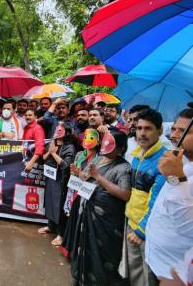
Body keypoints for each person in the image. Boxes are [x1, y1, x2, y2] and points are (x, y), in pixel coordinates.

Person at [70, 129, 132, 286]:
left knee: (102, 255)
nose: (106, 149)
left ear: (121, 149)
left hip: (105, 220)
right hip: (87, 212)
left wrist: (98, 177)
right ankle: (81, 278)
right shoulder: (99, 159)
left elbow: (125, 194)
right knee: (84, 249)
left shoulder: (123, 167)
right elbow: (85, 176)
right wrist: (78, 173)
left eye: (111, 145)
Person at [145, 108, 193, 282]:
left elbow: (189, 228)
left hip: (175, 275)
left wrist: (175, 178)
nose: (174, 135)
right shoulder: (181, 162)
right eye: (173, 129)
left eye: (183, 130)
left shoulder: (178, 170)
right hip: (155, 260)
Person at [123, 108, 167, 286]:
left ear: (160, 130)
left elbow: (159, 201)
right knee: (134, 273)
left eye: (148, 128)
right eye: (139, 128)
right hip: (131, 222)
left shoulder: (164, 161)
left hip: (147, 231)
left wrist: (142, 230)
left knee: (146, 278)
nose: (142, 133)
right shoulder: (136, 156)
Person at [61, 128, 101, 259]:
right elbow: (74, 172)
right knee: (71, 217)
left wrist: (79, 173)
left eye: (91, 138)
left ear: (98, 141)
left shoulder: (98, 158)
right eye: (86, 137)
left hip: (87, 192)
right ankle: (69, 247)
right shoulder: (79, 154)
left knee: (80, 219)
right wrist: (74, 172)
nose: (88, 140)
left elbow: (91, 176)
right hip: (74, 189)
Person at [39, 122, 76, 246]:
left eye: (60, 129)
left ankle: (61, 234)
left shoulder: (69, 147)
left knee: (58, 206)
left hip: (61, 181)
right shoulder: (52, 143)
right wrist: (50, 152)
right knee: (49, 202)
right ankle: (51, 226)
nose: (57, 131)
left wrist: (54, 153)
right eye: (56, 128)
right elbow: (41, 160)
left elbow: (66, 165)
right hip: (49, 178)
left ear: (66, 132)